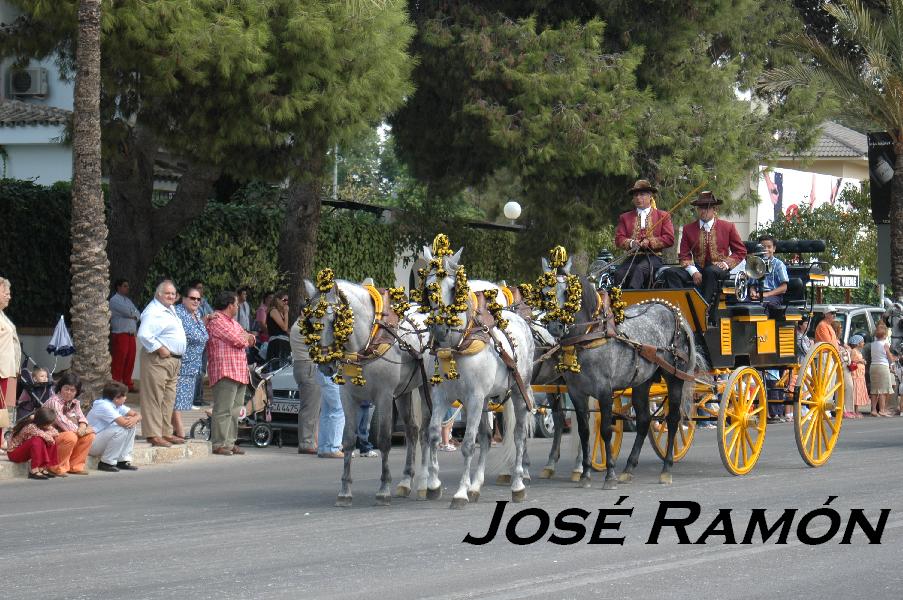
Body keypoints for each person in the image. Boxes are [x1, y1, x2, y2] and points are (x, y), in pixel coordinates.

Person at [661, 191, 746, 310]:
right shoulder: (688, 229)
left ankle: (703, 310)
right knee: (670, 272)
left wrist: (726, 263)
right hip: (698, 268)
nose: (703, 211)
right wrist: (693, 272)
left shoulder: (728, 227)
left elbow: (740, 251)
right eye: (700, 207)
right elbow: (684, 255)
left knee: (710, 271)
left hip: (718, 269)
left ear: (714, 209)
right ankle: (682, 307)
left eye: (707, 207)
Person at [137, 280, 187, 448]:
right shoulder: (154, 311)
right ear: (158, 294)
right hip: (158, 359)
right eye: (167, 293)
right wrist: (160, 348)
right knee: (154, 397)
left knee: (168, 398)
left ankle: (165, 432)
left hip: (172, 360)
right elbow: (144, 335)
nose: (171, 296)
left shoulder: (169, 309)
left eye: (173, 293)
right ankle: (153, 434)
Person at [206, 290, 256, 456]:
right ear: (229, 305)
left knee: (235, 411)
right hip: (225, 371)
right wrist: (246, 338)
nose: (238, 306)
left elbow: (250, 337)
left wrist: (247, 337)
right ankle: (218, 444)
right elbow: (239, 339)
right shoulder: (217, 320)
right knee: (223, 409)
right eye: (236, 304)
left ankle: (229, 443)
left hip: (239, 371)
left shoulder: (233, 323)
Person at [613, 179, 674, 289]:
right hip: (632, 257)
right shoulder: (625, 217)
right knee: (619, 273)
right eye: (635, 195)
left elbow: (669, 238)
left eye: (642, 194)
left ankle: (633, 297)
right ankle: (618, 298)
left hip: (654, 257)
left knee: (639, 270)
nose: (638, 198)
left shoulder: (663, 216)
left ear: (650, 196)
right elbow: (619, 239)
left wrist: (650, 242)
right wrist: (631, 243)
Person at [173, 286, 209, 437]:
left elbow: (201, 335)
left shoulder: (197, 314)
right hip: (182, 362)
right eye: (192, 298)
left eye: (198, 299)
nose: (196, 301)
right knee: (176, 399)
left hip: (194, 364)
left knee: (183, 399)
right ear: (183, 299)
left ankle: (174, 429)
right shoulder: (178, 313)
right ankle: (179, 431)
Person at [43, 373, 96, 476]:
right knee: (70, 436)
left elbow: (82, 417)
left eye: (72, 390)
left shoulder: (75, 403)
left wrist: (83, 426)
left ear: (76, 392)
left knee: (90, 436)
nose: (68, 392)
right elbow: (63, 423)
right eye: (66, 388)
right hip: (48, 436)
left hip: (65, 433)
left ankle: (75, 466)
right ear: (60, 387)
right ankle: (56, 467)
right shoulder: (54, 401)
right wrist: (83, 430)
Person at [87, 381, 141, 472]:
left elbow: (138, 415)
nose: (125, 398)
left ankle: (122, 461)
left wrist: (135, 419)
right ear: (116, 398)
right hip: (90, 444)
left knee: (131, 426)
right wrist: (133, 419)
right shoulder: (104, 406)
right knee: (121, 429)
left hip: (101, 441)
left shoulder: (117, 405)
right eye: (124, 396)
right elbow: (124, 423)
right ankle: (106, 463)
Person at [289, 309, 321, 455]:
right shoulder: (303, 327)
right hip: (308, 366)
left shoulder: (298, 325)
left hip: (302, 366)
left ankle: (313, 441)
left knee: (312, 407)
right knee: (310, 407)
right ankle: (307, 442)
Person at [6, 406, 65, 480]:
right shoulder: (31, 426)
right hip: (14, 453)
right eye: (49, 423)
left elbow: (55, 432)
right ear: (43, 422)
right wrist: (48, 435)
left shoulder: (39, 423)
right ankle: (34, 469)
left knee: (47, 439)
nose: (50, 425)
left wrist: (48, 435)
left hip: (23, 450)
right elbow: (47, 437)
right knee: (37, 440)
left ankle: (42, 467)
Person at [0, 276, 21, 454]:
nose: (9, 296)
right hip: (1, 370)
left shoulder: (2, 315)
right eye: (5, 293)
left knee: (5, 408)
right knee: (0, 408)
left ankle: (0, 439)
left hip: (9, 369)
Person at [109, 278, 141, 391]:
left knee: (130, 360)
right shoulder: (114, 300)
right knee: (119, 359)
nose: (127, 288)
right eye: (125, 286)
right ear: (118, 287)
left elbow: (138, 314)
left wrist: (133, 314)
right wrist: (133, 314)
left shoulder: (128, 301)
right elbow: (128, 312)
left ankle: (128, 384)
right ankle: (116, 384)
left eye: (127, 286)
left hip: (131, 335)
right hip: (120, 334)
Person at [750, 235, 789, 305]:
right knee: (742, 304)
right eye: (763, 247)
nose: (766, 249)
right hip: (757, 295)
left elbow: (784, 288)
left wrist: (766, 294)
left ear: (774, 249)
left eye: (769, 247)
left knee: (762, 305)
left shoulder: (779, 264)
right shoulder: (754, 263)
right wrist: (752, 291)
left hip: (773, 296)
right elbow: (752, 284)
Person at [869, 322, 896, 417]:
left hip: (873, 366)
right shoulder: (885, 344)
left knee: (874, 390)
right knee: (883, 390)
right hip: (882, 367)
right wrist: (891, 358)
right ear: (885, 334)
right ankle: (882, 410)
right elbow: (890, 358)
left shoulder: (873, 344)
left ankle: (873, 410)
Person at [317, 371, 344, 458]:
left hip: (323, 372)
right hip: (332, 373)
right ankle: (333, 448)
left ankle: (323, 448)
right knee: (338, 410)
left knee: (326, 412)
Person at [266, 291, 291, 360]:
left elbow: (285, 329)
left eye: (287, 300)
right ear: (277, 300)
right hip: (277, 344)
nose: (286, 302)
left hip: (283, 343)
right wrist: (286, 313)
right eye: (284, 300)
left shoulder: (280, 312)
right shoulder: (274, 311)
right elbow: (284, 328)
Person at [848, 334, 868, 418]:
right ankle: (854, 410)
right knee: (856, 392)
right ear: (857, 343)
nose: (863, 343)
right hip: (856, 374)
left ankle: (856, 410)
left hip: (860, 374)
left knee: (858, 392)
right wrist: (860, 361)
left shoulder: (858, 351)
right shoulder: (854, 351)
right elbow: (851, 361)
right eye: (862, 342)